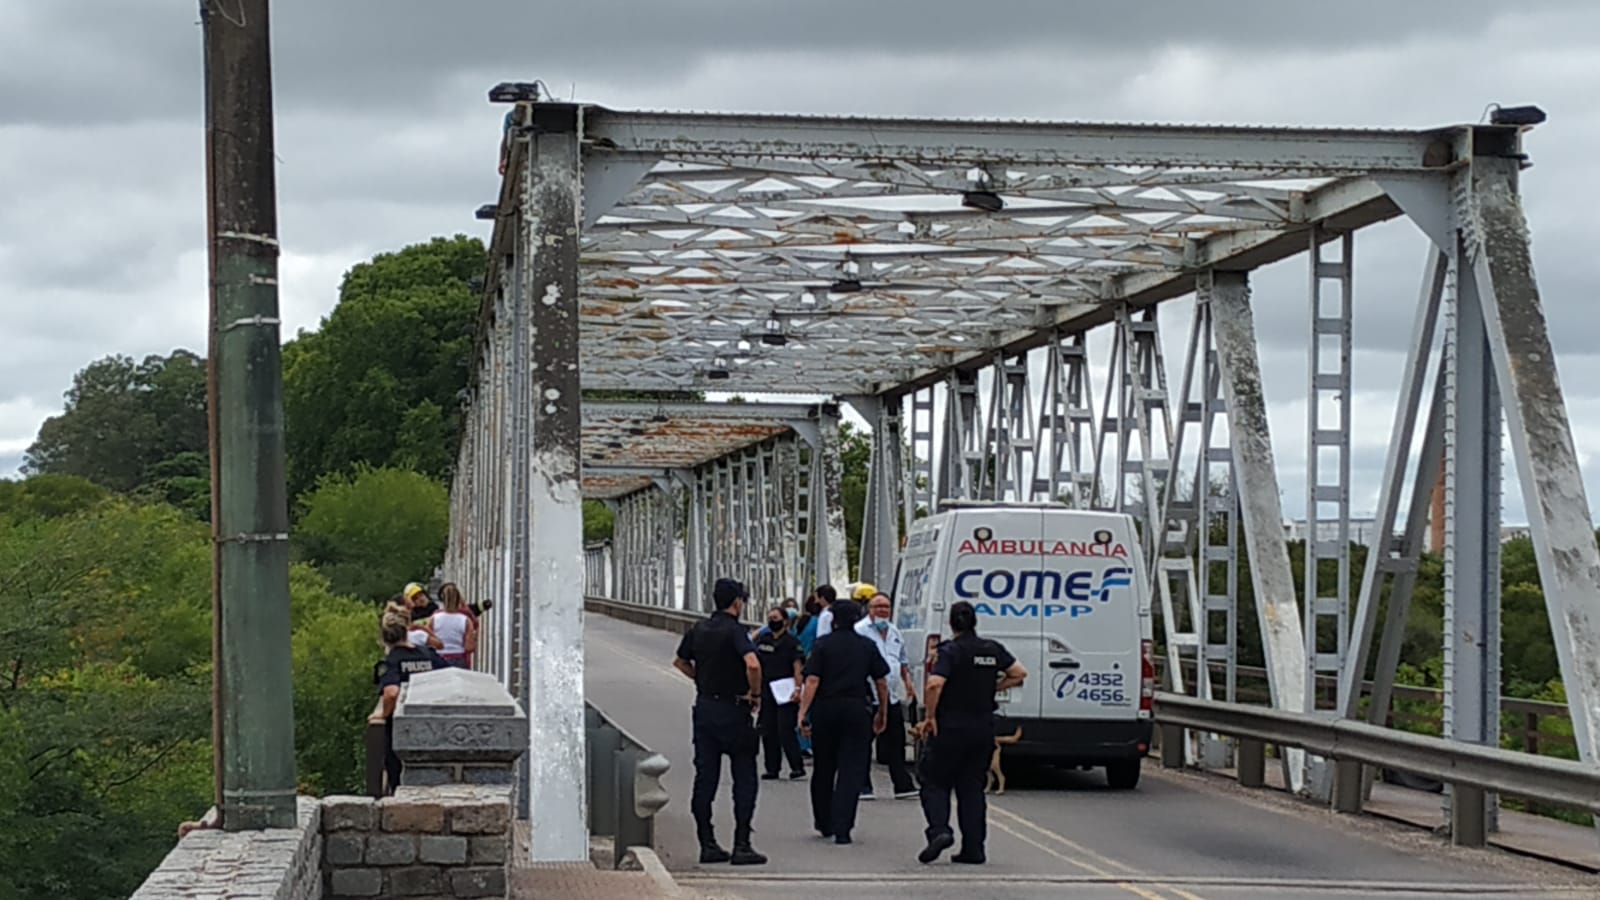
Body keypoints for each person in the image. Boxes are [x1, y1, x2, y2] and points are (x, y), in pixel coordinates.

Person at [916, 601, 1028, 865]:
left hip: (950, 727)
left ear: (951, 623)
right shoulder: (992, 649)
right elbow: (1019, 673)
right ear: (975, 622)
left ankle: (940, 831)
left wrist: (930, 717)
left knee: (934, 781)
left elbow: (934, 685)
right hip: (982, 728)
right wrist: (993, 687)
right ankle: (974, 849)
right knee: (972, 788)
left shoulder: (950, 651)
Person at [673, 578, 768, 866]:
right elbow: (753, 663)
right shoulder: (736, 631)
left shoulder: (699, 629)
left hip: (705, 708)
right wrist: (755, 694)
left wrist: (701, 679)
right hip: (735, 709)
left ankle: (707, 842)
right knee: (744, 777)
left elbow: (680, 662)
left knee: (705, 778)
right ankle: (742, 844)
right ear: (737, 602)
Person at [798, 599, 889, 845]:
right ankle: (843, 827)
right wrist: (882, 712)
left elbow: (812, 680)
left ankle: (823, 820)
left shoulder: (822, 645)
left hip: (826, 709)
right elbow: (881, 681)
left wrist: (803, 713)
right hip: (856, 709)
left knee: (824, 766)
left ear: (833, 620)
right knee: (851, 769)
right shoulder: (867, 645)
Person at [374, 604, 450, 793]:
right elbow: (450, 676)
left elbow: (391, 693)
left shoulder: (391, 661)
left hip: (404, 729)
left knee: (399, 779)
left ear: (384, 639)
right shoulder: (428, 654)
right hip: (434, 724)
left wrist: (383, 714)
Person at [854, 592, 918, 800]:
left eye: (886, 607)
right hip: (868, 695)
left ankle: (903, 785)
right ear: (869, 609)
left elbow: (902, 660)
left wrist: (908, 683)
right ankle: (862, 786)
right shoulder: (860, 631)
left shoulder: (894, 631)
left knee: (896, 741)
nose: (882, 610)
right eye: (878, 606)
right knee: (863, 743)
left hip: (891, 696)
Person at [755, 607, 806, 781]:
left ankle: (797, 767)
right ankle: (772, 768)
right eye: (770, 618)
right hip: (766, 690)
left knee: (785, 729)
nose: (772, 621)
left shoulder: (792, 642)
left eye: (775, 618)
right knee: (768, 729)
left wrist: (798, 689)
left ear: (785, 621)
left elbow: (797, 667)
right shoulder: (763, 640)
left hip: (786, 691)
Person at [431, 583, 478, 668]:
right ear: (459, 599)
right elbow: (469, 647)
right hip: (459, 659)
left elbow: (426, 640)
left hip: (438, 658)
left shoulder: (434, 618)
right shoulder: (465, 619)